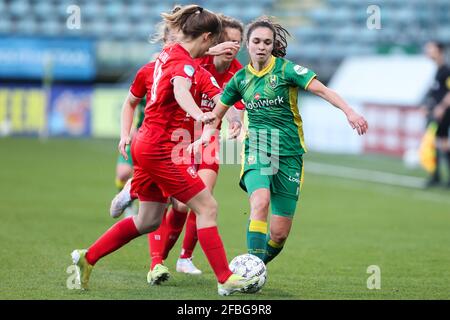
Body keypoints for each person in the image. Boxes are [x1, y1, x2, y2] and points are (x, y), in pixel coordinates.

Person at [71, 5, 259, 296]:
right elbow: (183, 90)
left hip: (146, 143)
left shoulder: (169, 57)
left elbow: (217, 91)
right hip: (163, 148)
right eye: (213, 40)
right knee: (207, 207)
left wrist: (233, 115)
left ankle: (88, 257)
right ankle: (225, 279)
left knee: (148, 220)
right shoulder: (184, 65)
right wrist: (200, 115)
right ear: (207, 37)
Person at [192, 16, 368, 265]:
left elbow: (323, 90)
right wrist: (205, 137)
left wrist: (349, 111)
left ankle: (255, 267)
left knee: (279, 234)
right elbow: (216, 115)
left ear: (273, 45)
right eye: (256, 41)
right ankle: (251, 270)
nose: (261, 46)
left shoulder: (287, 70)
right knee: (260, 201)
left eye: (267, 42)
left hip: (290, 152)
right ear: (247, 45)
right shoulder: (240, 80)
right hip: (258, 146)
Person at [153, 14, 246, 277]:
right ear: (213, 40)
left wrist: (236, 121)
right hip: (180, 136)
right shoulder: (197, 59)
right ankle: (158, 258)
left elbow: (233, 106)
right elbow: (172, 63)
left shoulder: (238, 72)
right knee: (180, 206)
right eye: (227, 40)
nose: (232, 46)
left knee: (204, 198)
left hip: (208, 139)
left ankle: (185, 257)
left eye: (237, 42)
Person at [422, 41, 450, 188]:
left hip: (444, 113)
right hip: (437, 112)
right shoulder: (438, 70)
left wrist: (441, 107)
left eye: (430, 48)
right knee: (435, 144)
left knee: (443, 144)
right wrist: (428, 106)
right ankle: (436, 176)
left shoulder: (446, 70)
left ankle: (441, 178)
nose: (427, 51)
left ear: (439, 51)